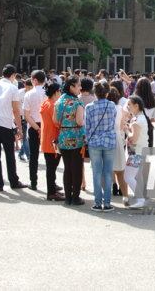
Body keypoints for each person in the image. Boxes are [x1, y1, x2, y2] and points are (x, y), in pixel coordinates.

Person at [0, 65, 27, 191]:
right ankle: (13, 180)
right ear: (13, 75)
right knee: (9, 154)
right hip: (5, 124)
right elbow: (15, 110)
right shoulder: (12, 88)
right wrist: (19, 128)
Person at [53, 76, 87, 205]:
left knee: (67, 168)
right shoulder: (78, 103)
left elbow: (55, 120)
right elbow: (80, 121)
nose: (80, 88)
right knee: (77, 168)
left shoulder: (58, 101)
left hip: (63, 136)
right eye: (78, 85)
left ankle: (68, 197)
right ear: (71, 87)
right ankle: (76, 197)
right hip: (76, 137)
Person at [85, 81, 117, 212]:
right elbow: (113, 121)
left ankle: (98, 203)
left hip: (94, 142)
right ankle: (108, 203)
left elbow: (87, 127)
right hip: (109, 141)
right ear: (107, 93)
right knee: (108, 173)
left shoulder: (89, 107)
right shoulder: (112, 105)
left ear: (95, 93)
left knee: (96, 173)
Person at [39, 80, 65, 201]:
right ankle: (51, 192)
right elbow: (57, 122)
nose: (60, 93)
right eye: (60, 90)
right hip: (53, 141)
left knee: (51, 167)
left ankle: (53, 190)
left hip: (47, 139)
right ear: (55, 92)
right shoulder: (53, 105)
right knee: (51, 168)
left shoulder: (46, 102)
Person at [23, 70, 48, 191]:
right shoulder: (49, 93)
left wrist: (37, 128)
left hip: (33, 126)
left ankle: (33, 182)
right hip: (47, 125)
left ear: (35, 80)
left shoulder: (29, 94)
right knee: (50, 155)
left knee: (34, 156)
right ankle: (51, 182)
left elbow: (26, 115)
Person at [124, 95, 150, 209]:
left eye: (129, 104)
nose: (127, 107)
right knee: (133, 176)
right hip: (141, 151)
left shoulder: (136, 120)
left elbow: (134, 138)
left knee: (128, 176)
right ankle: (140, 198)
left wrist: (126, 130)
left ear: (136, 105)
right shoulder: (141, 118)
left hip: (137, 152)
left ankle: (140, 199)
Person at [107, 87, 128, 202]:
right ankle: (125, 196)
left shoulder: (104, 108)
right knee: (120, 169)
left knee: (105, 168)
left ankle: (106, 196)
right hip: (117, 138)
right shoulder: (120, 109)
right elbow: (121, 127)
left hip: (105, 138)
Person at [131, 77, 155, 147]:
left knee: (134, 152)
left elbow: (127, 113)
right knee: (146, 153)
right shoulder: (153, 102)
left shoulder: (132, 100)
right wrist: (148, 119)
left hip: (135, 126)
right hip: (148, 127)